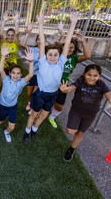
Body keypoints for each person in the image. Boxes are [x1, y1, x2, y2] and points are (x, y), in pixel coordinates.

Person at [59, 64, 111, 162]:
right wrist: (65, 89)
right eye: (89, 74)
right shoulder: (80, 81)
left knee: (80, 133)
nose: (91, 78)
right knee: (71, 131)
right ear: (84, 74)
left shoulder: (101, 85)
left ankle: (71, 149)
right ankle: (75, 130)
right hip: (76, 111)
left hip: (90, 115)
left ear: (99, 76)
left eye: (95, 75)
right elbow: (71, 88)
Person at [22, 13, 78, 144]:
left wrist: (73, 24)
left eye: (55, 55)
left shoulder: (61, 62)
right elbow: (42, 42)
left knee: (43, 115)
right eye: (50, 55)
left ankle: (35, 129)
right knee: (33, 114)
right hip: (40, 94)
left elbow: (68, 42)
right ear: (46, 55)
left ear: (59, 55)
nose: (53, 57)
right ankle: (27, 130)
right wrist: (40, 24)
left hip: (52, 94)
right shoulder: (42, 62)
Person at [47, 27, 91, 128]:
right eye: (68, 46)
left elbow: (88, 55)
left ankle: (52, 117)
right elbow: (51, 50)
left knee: (59, 106)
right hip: (51, 82)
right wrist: (60, 42)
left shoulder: (74, 58)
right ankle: (41, 114)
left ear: (74, 48)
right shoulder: (56, 55)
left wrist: (83, 41)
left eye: (72, 47)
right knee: (46, 101)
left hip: (63, 85)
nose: (70, 49)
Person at [0, 44, 34, 142]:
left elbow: (31, 74)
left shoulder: (21, 83)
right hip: (2, 105)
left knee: (12, 127)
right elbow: (1, 70)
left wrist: (31, 62)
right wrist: (3, 56)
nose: (15, 75)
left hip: (12, 107)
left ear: (21, 75)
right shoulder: (6, 80)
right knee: (0, 121)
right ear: (10, 73)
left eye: (18, 73)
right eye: (13, 73)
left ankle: (6, 132)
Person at [0, 10, 20, 103]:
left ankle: (9, 97)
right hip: (3, 67)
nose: (10, 37)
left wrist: (15, 21)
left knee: (11, 85)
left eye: (12, 35)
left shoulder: (16, 43)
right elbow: (0, 35)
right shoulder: (3, 42)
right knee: (0, 84)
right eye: (8, 35)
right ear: (7, 35)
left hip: (12, 69)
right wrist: (4, 21)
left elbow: (17, 34)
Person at [20, 22, 40, 112]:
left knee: (34, 93)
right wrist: (28, 32)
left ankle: (32, 106)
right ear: (36, 41)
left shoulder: (47, 51)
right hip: (31, 74)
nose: (40, 41)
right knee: (28, 93)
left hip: (40, 76)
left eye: (42, 39)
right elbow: (23, 45)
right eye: (38, 39)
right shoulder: (33, 50)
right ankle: (29, 102)